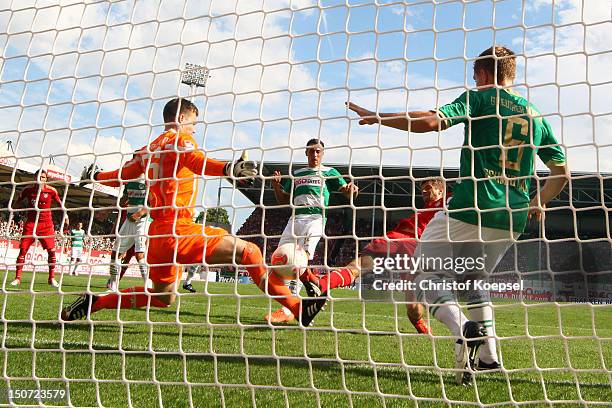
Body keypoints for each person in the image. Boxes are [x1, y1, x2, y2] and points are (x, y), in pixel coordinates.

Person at [347, 45, 568, 384]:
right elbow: (561, 173)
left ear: (483, 74)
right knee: (472, 280)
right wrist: (539, 201)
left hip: (472, 205)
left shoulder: (479, 98)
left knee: (422, 272)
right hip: (513, 217)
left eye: (475, 75)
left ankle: (463, 329)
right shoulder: (537, 116)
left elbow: (432, 121)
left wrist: (380, 117)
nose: (474, 80)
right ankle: (489, 356)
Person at [61, 97, 326, 326]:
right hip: (180, 229)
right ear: (180, 117)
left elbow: (121, 176)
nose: (193, 130)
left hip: (157, 235)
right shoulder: (181, 139)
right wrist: (228, 169)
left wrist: (96, 175)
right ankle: (297, 307)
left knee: (163, 297)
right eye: (193, 123)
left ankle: (96, 302)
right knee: (250, 252)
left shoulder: (147, 150)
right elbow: (194, 160)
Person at [301, 178, 447, 334]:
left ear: (441, 191)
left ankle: (420, 325)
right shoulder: (423, 211)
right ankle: (322, 284)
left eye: (429, 188)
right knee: (359, 265)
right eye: (422, 189)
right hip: (395, 238)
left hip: (416, 248)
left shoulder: (448, 203)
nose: (424, 191)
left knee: (413, 306)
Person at [265, 139, 359, 323]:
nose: (315, 155)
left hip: (315, 219)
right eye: (311, 151)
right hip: (294, 219)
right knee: (279, 259)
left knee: (300, 259)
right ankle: (312, 284)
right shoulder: (297, 174)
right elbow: (282, 200)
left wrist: (351, 189)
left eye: (318, 151)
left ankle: (288, 308)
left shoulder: (329, 172)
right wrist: (276, 186)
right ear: (306, 153)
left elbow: (347, 192)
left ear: (322, 153)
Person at [10, 169, 68, 287]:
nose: (41, 179)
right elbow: (17, 203)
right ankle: (17, 278)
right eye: (39, 177)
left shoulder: (52, 190)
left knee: (52, 252)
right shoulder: (27, 190)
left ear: (46, 179)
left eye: (43, 177)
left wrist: (65, 215)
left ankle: (51, 278)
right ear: (34, 177)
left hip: (46, 225)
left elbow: (60, 204)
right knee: (23, 250)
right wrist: (11, 211)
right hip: (31, 224)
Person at [106, 173, 150, 291]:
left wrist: (140, 213)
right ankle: (113, 286)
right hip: (129, 219)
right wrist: (112, 205)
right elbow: (123, 200)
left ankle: (148, 285)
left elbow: (154, 202)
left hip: (143, 220)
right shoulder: (129, 179)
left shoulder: (149, 179)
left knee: (139, 253)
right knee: (115, 252)